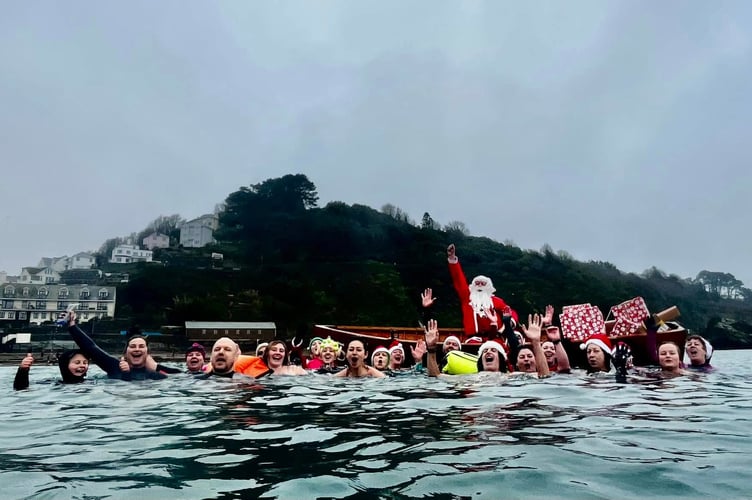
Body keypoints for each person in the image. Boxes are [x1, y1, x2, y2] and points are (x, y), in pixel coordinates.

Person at [67, 311, 168, 380]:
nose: (137, 349)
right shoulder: (114, 366)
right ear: (125, 353)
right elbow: (91, 348)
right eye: (132, 346)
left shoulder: (156, 376)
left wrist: (156, 367)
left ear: (148, 354)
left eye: (141, 346)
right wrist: (72, 325)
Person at [446, 243, 518, 338]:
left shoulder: (496, 301)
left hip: (496, 336)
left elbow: (510, 311)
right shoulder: (467, 298)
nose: (480, 285)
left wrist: (509, 322)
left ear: (488, 287)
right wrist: (452, 260)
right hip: (474, 338)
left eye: (483, 284)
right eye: (477, 283)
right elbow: (459, 280)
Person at [13, 350, 90, 390]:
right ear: (64, 365)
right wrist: (23, 370)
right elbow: (21, 389)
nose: (82, 365)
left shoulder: (91, 383)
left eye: (85, 362)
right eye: (77, 362)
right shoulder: (53, 384)